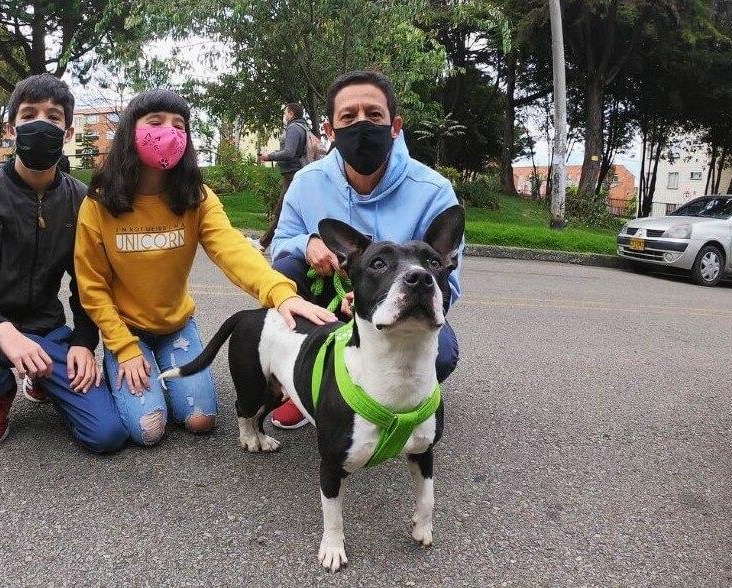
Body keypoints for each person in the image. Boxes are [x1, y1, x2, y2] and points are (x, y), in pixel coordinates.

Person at [74, 89, 336, 446]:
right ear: (130, 132)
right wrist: (123, 347)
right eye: (156, 122)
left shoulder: (196, 196)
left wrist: (279, 294)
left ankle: (159, 377)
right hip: (126, 329)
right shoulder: (100, 202)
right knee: (149, 430)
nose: (169, 132)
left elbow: (232, 251)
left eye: (179, 125)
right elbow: (91, 286)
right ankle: (130, 373)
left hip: (176, 326)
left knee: (201, 421)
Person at [0, 74, 128, 452]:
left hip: (47, 333)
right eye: (29, 114)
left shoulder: (81, 201)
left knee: (107, 435)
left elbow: (89, 281)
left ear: (68, 132)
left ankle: (40, 376)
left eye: (53, 117)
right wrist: (2, 329)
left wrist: (84, 342)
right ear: (11, 128)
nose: (41, 123)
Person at [267, 70, 464, 429]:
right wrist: (307, 242)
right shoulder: (306, 183)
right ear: (329, 130)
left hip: (396, 301)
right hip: (325, 293)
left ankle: (394, 394)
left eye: (373, 115)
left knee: (444, 353)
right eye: (348, 117)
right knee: (284, 272)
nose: (361, 124)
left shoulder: (433, 191)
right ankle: (302, 383)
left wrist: (376, 300)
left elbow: (450, 281)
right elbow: (280, 244)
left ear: (395, 126)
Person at [258, 102, 313, 249]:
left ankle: (263, 243)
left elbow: (289, 153)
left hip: (292, 174)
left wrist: (269, 156)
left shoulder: (294, 128)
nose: (284, 116)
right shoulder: (302, 127)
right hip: (293, 173)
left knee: (283, 209)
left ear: (291, 114)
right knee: (288, 209)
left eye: (285, 113)